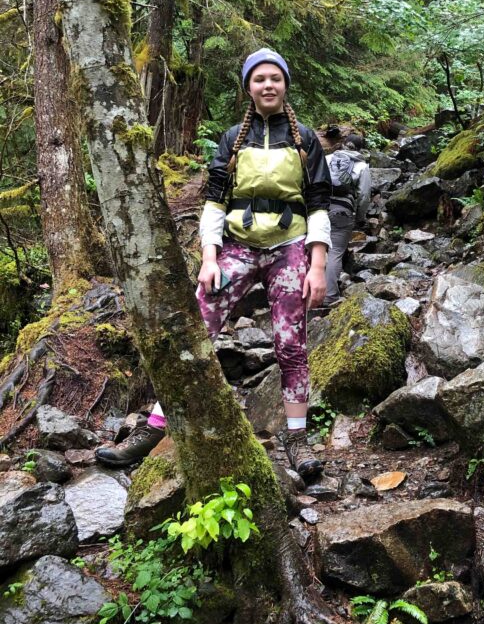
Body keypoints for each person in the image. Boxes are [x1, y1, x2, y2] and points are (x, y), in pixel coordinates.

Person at [96, 48, 331, 481]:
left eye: (274, 78)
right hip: (238, 246)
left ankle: (297, 439)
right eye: (259, 79)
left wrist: (317, 266)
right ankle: (156, 428)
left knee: (291, 344)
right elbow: (215, 203)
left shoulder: (306, 140)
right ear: (248, 88)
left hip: (290, 246)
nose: (267, 85)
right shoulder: (232, 140)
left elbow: (318, 205)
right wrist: (209, 258)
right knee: (198, 328)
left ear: (285, 85)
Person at [324, 147, 371, 306]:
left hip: (318, 209)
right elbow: (364, 195)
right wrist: (360, 217)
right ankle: (329, 296)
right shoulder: (362, 166)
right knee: (335, 251)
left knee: (314, 248)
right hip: (342, 212)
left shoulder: (328, 158)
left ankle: (306, 292)